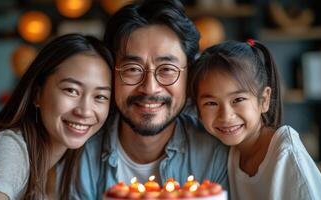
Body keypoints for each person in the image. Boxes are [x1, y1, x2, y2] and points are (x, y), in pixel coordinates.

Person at [71, 0, 228, 199]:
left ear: (190, 76)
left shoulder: (214, 152)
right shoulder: (79, 152)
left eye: (167, 70)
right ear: (111, 72)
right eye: (133, 70)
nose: (149, 88)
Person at [0, 33, 113, 200]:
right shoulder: (8, 148)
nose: (85, 111)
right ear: (37, 93)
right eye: (71, 90)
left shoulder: (68, 162)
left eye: (100, 97)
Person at [189, 39, 321, 199]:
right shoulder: (231, 152)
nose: (226, 116)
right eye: (211, 103)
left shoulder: (286, 153)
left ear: (264, 100)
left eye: (238, 100)